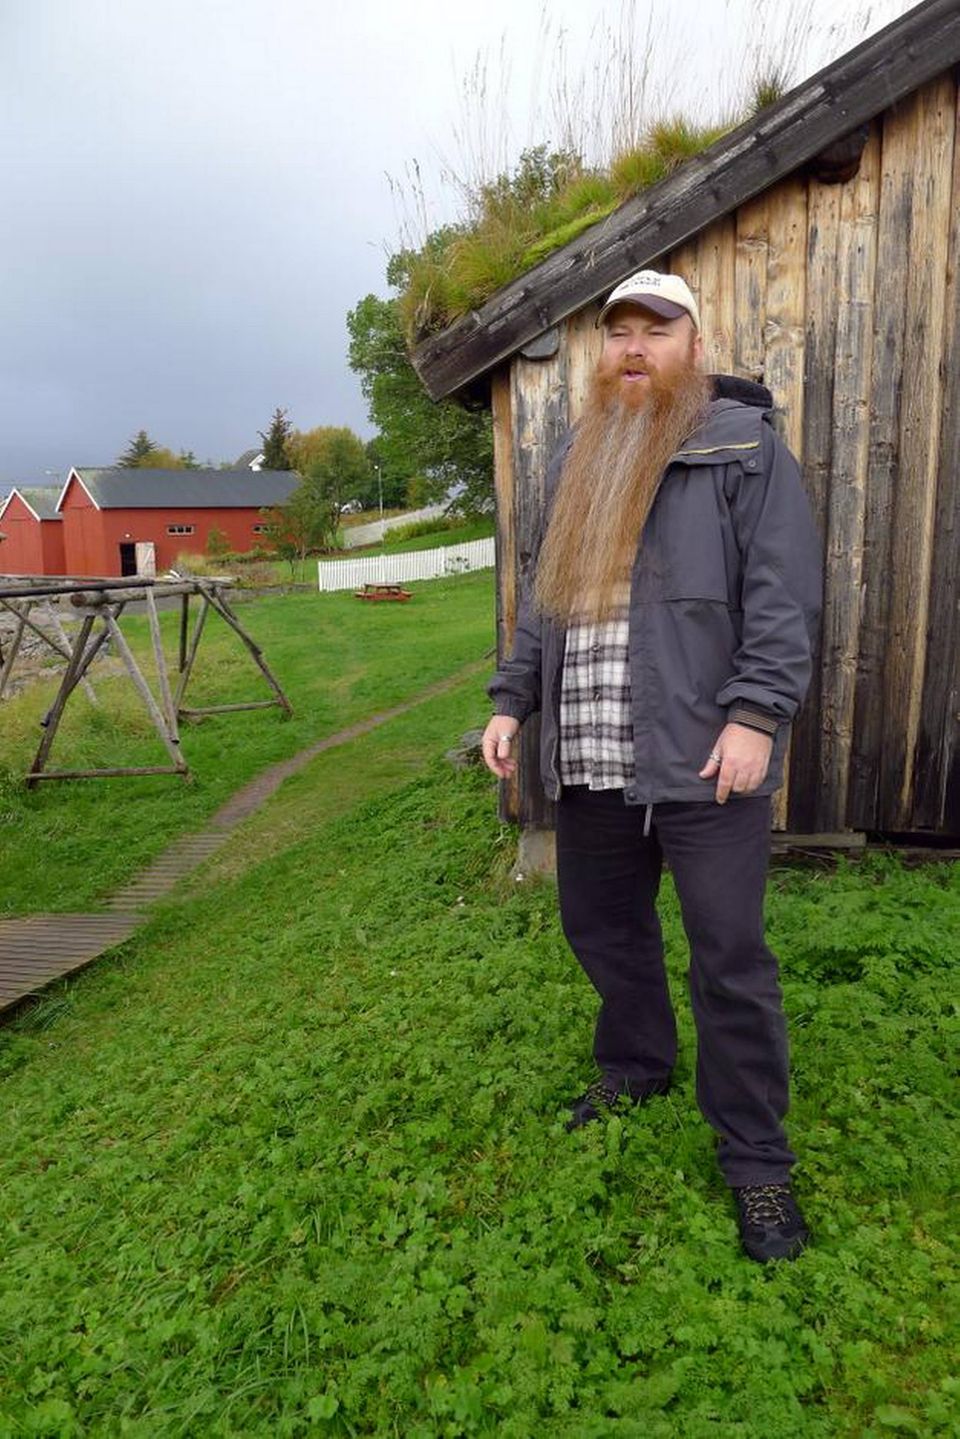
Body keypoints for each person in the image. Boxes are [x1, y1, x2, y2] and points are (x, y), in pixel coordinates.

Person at [481, 269, 823, 1263]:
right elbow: (546, 600)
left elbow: (784, 595)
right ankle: (637, 1062)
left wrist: (756, 715)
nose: (635, 347)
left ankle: (756, 1159)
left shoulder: (743, 449)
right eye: (620, 331)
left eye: (656, 330)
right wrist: (511, 698)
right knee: (602, 928)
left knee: (729, 956)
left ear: (693, 346)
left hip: (703, 754)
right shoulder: (580, 456)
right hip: (590, 754)